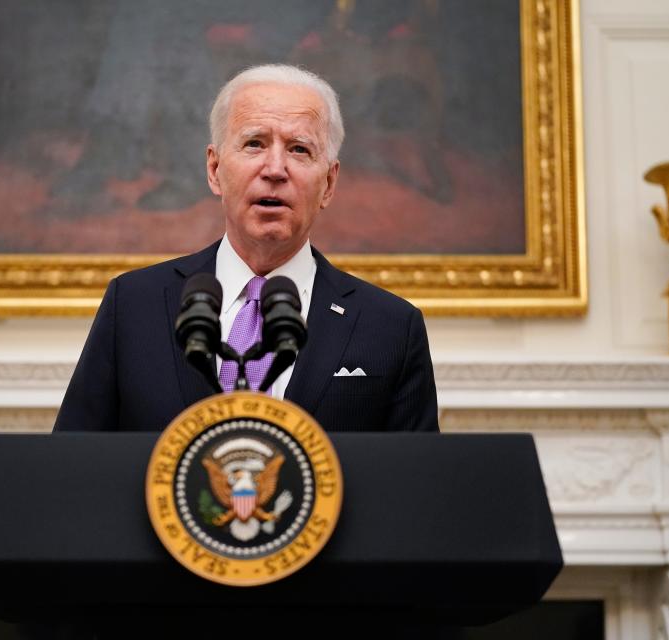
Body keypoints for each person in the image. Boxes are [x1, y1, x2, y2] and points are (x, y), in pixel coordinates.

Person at [53, 64, 438, 433]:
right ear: (215, 169)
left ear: (330, 183)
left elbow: (413, 486)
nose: (275, 169)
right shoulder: (134, 304)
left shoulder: (391, 327)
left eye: (300, 150)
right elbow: (75, 463)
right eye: (254, 144)